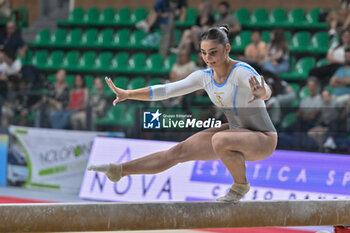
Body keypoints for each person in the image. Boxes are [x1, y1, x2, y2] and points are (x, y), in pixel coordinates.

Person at [88, 25, 277, 203]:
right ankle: (120, 171)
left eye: (213, 53)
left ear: (227, 48)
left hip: (263, 138)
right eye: (204, 53)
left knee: (219, 139)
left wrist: (263, 93)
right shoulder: (204, 77)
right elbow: (166, 90)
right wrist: (129, 94)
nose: (208, 58)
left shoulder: (241, 72)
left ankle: (240, 186)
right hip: (235, 134)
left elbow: (265, 89)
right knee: (178, 152)